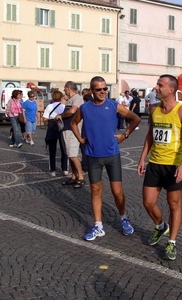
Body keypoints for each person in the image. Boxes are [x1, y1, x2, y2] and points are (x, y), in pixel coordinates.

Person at [70, 76, 141, 241]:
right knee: (95, 191)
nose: (103, 91)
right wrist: (80, 139)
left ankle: (123, 218)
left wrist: (125, 135)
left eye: (104, 88)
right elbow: (74, 123)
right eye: (98, 89)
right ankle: (98, 226)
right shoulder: (84, 108)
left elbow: (135, 119)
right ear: (92, 90)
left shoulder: (114, 105)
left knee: (117, 192)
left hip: (112, 155)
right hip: (93, 156)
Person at [137, 74, 182, 261]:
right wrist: (142, 158)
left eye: (160, 85)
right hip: (155, 163)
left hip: (173, 165)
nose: (156, 88)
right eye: (157, 85)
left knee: (174, 204)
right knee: (148, 202)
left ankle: (172, 242)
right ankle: (160, 226)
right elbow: (150, 136)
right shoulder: (154, 109)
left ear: (171, 89)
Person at [56, 81, 84, 188]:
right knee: (69, 154)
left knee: (73, 155)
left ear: (69, 88)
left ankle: (81, 177)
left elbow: (72, 111)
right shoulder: (70, 99)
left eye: (65, 88)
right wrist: (63, 101)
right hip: (66, 129)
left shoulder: (77, 98)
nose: (64, 90)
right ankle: (74, 176)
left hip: (73, 130)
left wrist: (61, 116)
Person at [42, 91, 68, 177]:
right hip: (61, 127)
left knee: (52, 150)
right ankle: (65, 169)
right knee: (64, 149)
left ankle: (53, 170)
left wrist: (51, 117)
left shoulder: (49, 106)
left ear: (52, 97)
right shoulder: (64, 106)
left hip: (52, 127)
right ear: (61, 97)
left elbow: (45, 119)